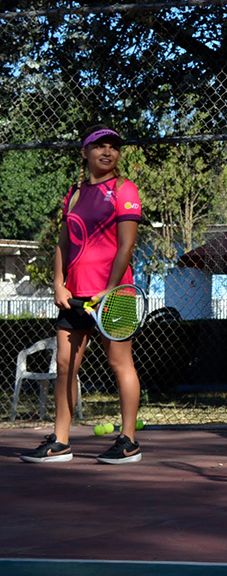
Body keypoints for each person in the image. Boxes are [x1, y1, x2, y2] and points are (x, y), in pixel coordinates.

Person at [20, 126, 144, 465]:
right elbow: (63, 243)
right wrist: (59, 283)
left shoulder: (124, 189)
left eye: (114, 147)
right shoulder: (74, 194)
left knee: (120, 364)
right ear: (84, 152)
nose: (108, 152)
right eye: (99, 146)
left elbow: (126, 245)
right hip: (74, 296)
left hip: (114, 296)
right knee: (64, 366)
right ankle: (60, 442)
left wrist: (111, 288)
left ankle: (129, 441)